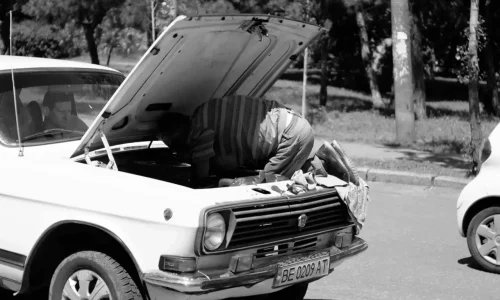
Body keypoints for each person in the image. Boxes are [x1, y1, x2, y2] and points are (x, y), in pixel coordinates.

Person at [158, 95, 315, 185]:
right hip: (294, 124)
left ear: (178, 135)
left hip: (290, 135)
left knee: (266, 189)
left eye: (172, 144)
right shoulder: (205, 111)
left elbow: (201, 174)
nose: (173, 149)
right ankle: (317, 166)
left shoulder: (198, 129)